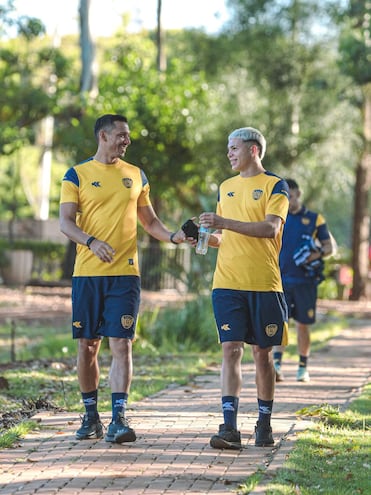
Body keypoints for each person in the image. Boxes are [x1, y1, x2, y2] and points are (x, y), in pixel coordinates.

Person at [59, 114, 186, 444]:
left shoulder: (136, 175)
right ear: (103, 135)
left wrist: (172, 237)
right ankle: (90, 417)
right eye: (121, 135)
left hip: (125, 275)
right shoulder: (76, 175)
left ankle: (119, 419)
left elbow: (150, 221)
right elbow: (66, 223)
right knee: (88, 347)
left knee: (121, 344)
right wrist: (90, 241)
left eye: (128, 136)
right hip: (88, 274)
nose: (126, 141)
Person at [198, 127, 289, 449]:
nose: (229, 153)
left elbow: (269, 228)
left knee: (262, 354)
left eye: (234, 148)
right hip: (227, 283)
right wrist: (204, 238)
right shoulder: (226, 187)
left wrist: (224, 223)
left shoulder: (276, 185)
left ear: (253, 150)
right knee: (230, 349)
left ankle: (264, 423)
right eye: (228, 147)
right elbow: (226, 238)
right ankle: (229, 427)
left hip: (264, 284)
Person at [273, 179, 333, 383]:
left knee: (303, 326)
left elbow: (329, 247)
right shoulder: (277, 218)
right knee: (281, 325)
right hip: (280, 280)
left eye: (290, 195)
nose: (288, 199)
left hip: (305, 282)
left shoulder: (315, 219)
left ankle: (302, 368)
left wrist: (313, 255)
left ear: (298, 194)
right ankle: (277, 366)